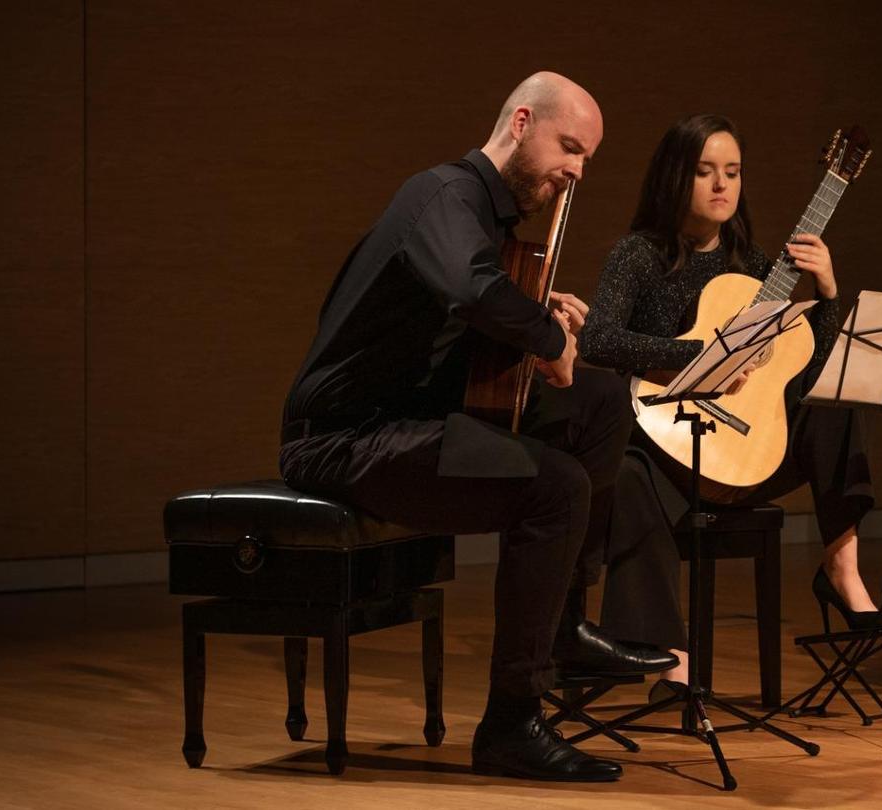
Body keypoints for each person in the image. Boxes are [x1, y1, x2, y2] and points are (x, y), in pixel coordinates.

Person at [278, 71, 674, 782]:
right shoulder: (443, 194)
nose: (578, 172)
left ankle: (562, 630)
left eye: (588, 158)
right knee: (555, 488)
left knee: (603, 401)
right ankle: (509, 724)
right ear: (521, 123)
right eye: (570, 148)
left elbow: (461, 327)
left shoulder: (489, 221)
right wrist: (547, 342)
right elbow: (472, 289)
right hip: (342, 438)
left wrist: (547, 320)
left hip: (414, 420)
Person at [578, 113, 881, 696]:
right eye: (705, 171)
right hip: (669, 448)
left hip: (747, 454)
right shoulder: (638, 255)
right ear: (674, 177)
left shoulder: (758, 266)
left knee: (834, 400)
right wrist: (698, 354)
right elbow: (599, 340)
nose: (722, 185)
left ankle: (841, 568)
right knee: (627, 475)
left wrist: (827, 295)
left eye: (733, 172)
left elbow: (806, 373)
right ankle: (667, 652)